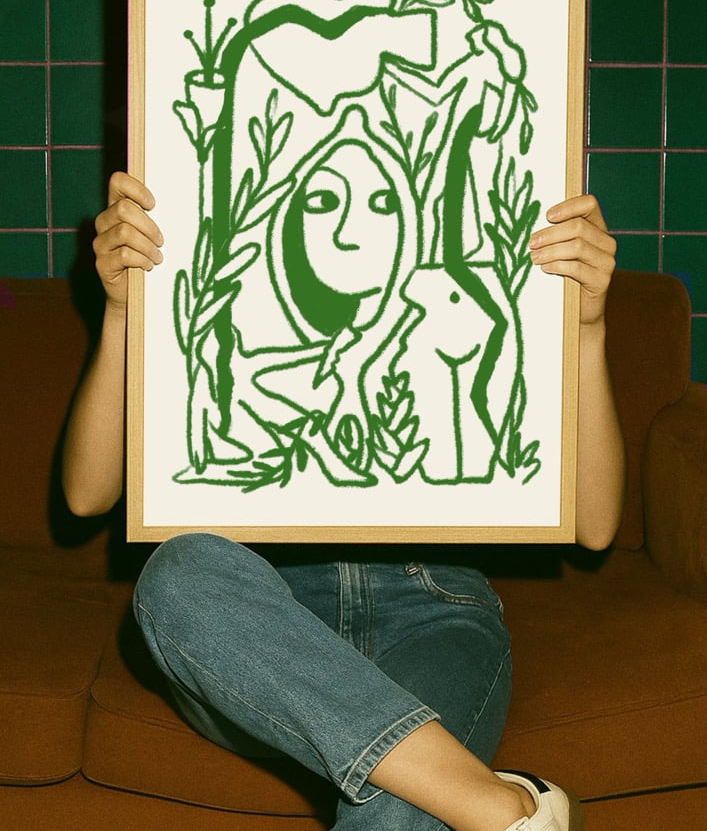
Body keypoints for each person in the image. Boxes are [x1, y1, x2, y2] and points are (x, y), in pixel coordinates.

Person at [62, 171, 625, 831]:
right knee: (178, 571)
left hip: (433, 606)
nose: (351, 227)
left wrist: (586, 327)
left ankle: (484, 799)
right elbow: (86, 495)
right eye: (322, 201)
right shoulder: (224, 322)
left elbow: (595, 525)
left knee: (406, 798)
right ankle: (503, 804)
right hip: (257, 623)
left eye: (381, 201)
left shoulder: (455, 317)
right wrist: (124, 312)